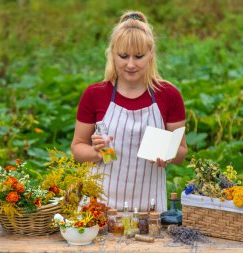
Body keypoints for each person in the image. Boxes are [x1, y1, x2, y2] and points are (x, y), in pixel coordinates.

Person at [71, 11, 187, 212]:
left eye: (139, 56)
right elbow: (77, 148)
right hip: (98, 205)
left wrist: (169, 155)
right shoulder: (95, 94)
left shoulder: (168, 95)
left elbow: (182, 152)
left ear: (151, 55)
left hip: (149, 208)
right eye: (123, 56)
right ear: (112, 54)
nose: (131, 64)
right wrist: (95, 152)